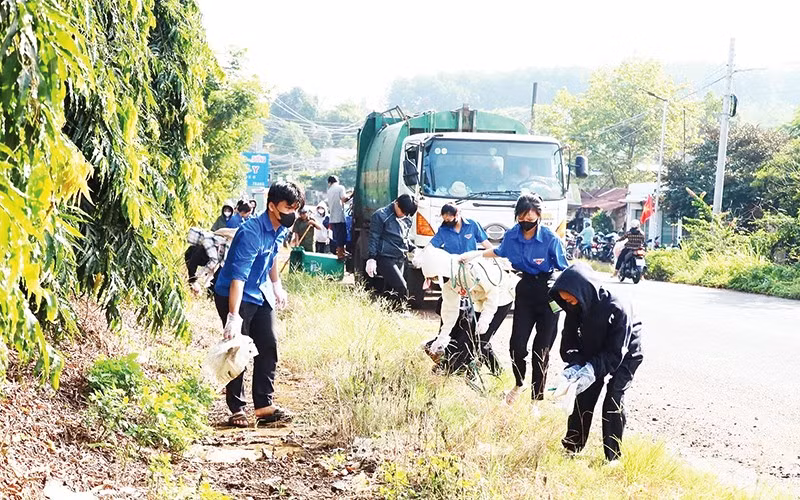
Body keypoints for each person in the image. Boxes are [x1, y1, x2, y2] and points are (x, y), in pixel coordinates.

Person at [460, 193, 569, 404]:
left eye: (531, 219)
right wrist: (475, 254)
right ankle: (519, 383)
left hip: (549, 293)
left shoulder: (550, 238)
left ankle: (536, 401)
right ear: (517, 217)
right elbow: (500, 251)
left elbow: (564, 269)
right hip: (525, 290)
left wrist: (569, 299)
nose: (526, 223)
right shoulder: (512, 236)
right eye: (522, 219)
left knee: (541, 350)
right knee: (517, 345)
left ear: (538, 216)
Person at [213, 181, 304, 428]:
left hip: (260, 291)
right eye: (288, 207)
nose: (292, 212)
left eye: (295, 207)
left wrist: (277, 285)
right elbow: (238, 278)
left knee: (268, 344)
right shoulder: (251, 233)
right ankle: (237, 409)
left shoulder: (281, 228)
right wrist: (233, 316)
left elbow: (272, 257)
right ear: (272, 206)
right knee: (237, 349)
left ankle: (264, 406)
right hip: (235, 293)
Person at [549, 261, 643, 461]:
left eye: (571, 300)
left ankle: (613, 457)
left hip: (625, 350)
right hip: (593, 347)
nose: (569, 304)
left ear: (583, 290)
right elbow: (570, 340)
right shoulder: (574, 306)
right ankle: (572, 447)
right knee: (583, 393)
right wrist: (574, 365)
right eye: (565, 301)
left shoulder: (617, 306)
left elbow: (616, 351)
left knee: (613, 399)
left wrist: (592, 369)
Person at [364, 194, 418, 308]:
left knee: (390, 290)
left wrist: (414, 249)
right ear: (396, 204)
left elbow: (404, 239)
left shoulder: (406, 218)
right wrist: (371, 258)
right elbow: (374, 237)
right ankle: (401, 311)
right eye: (403, 212)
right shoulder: (381, 216)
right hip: (385, 256)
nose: (404, 215)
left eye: (407, 214)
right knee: (401, 287)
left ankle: (386, 313)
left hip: (400, 256)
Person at [326, 176, 353, 260]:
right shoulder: (340, 187)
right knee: (342, 236)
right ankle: (341, 254)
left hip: (332, 218)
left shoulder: (329, 190)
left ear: (329, 183)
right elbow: (344, 199)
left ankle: (341, 252)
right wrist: (352, 194)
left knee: (338, 236)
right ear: (337, 181)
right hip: (339, 217)